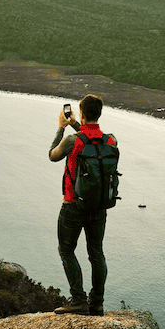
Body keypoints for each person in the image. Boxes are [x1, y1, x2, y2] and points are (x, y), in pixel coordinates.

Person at [48, 93, 117, 316]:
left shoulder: (72, 140)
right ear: (99, 113)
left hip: (73, 205)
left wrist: (61, 128)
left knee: (66, 250)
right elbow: (90, 137)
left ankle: (78, 300)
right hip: (99, 207)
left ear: (82, 112)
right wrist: (76, 124)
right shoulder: (111, 140)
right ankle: (97, 302)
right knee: (96, 253)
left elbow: (52, 155)